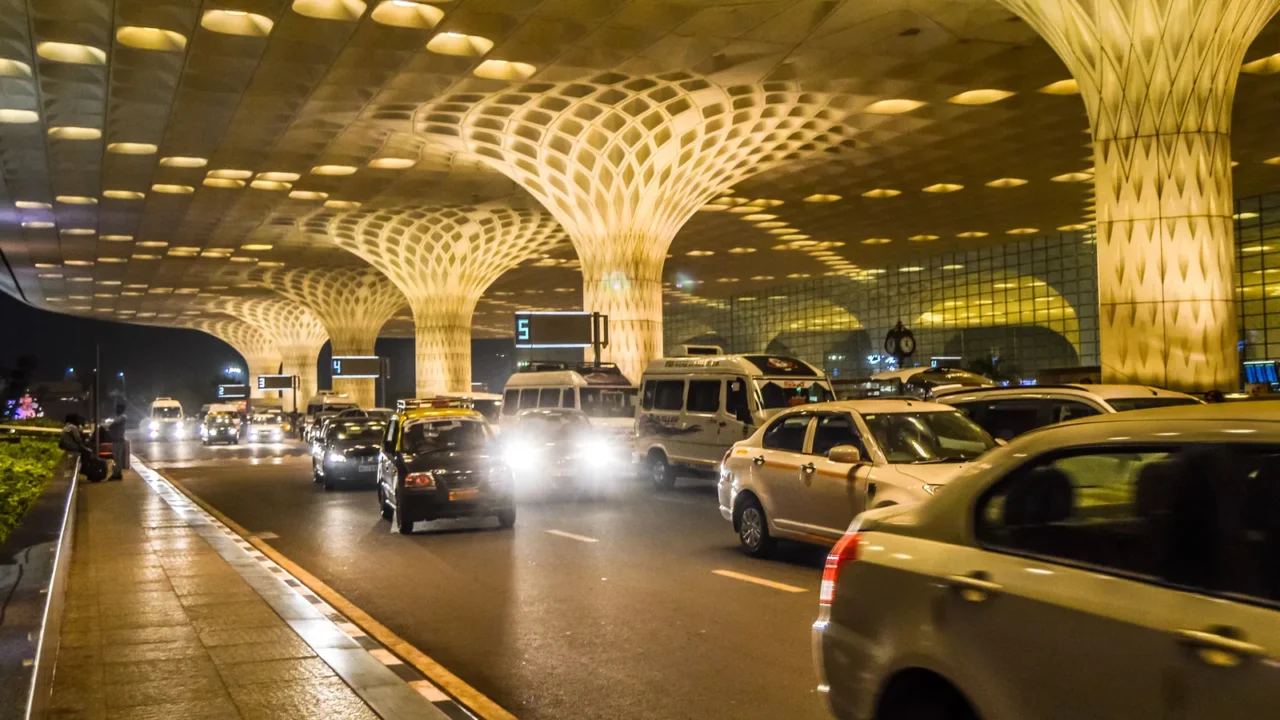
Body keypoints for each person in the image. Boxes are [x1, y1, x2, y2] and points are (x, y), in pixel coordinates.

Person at [107, 403, 128, 480]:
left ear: (122, 410)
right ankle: (117, 473)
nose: (116, 410)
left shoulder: (122, 417)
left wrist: (109, 426)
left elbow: (113, 424)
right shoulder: (118, 417)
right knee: (116, 458)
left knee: (118, 458)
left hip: (119, 440)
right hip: (115, 440)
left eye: (118, 408)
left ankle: (117, 474)